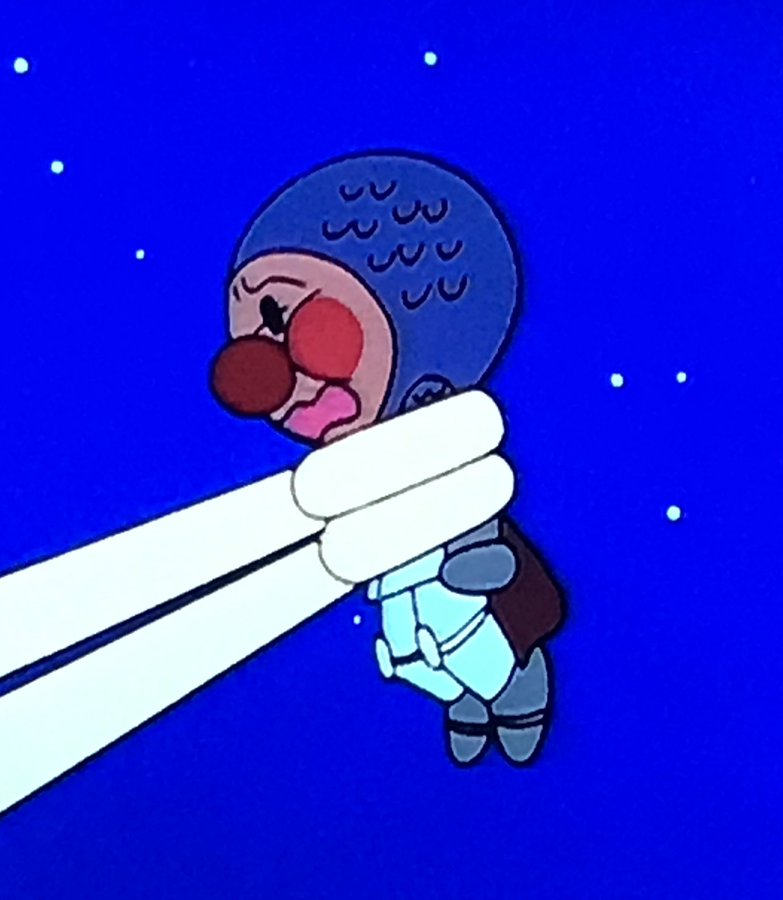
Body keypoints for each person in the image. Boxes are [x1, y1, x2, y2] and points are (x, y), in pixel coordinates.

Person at [209, 151, 565, 767]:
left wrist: (485, 555)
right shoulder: (336, 480)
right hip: (397, 583)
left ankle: (518, 689)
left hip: (460, 583)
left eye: (279, 317)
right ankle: (463, 699)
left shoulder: (456, 449)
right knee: (415, 649)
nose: (271, 378)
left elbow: (481, 519)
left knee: (467, 633)